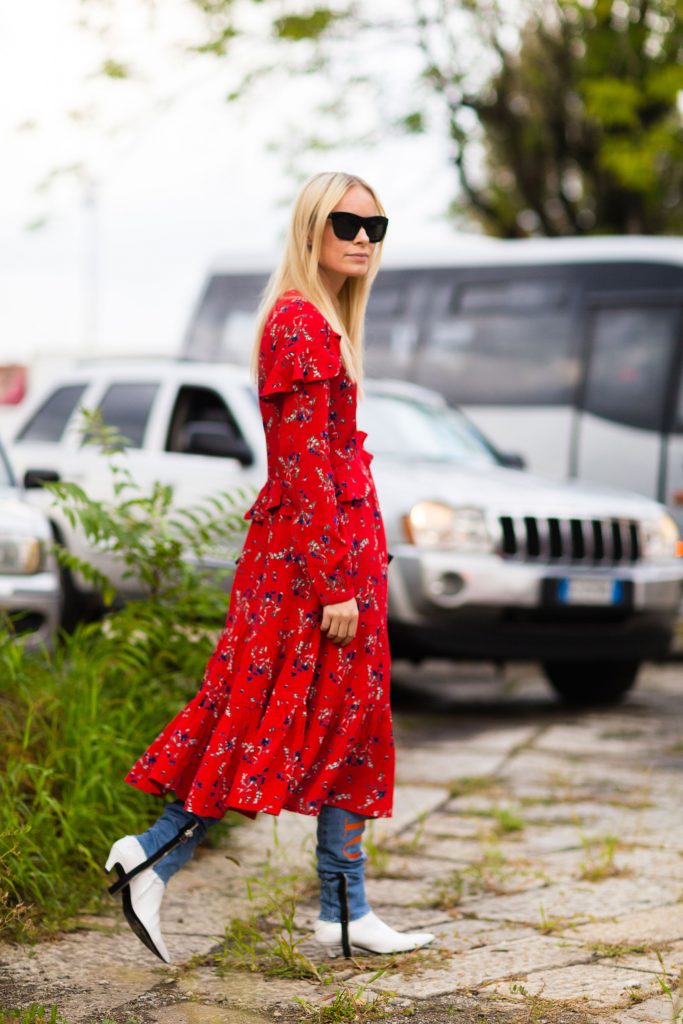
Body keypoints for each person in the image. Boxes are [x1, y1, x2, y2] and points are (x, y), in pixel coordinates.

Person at [105, 170, 435, 964]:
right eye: (346, 224)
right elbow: (301, 468)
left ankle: (344, 908)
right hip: (309, 571)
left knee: (347, 728)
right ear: (310, 229)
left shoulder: (325, 324)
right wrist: (335, 585)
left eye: (374, 227)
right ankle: (153, 852)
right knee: (260, 721)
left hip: (337, 561)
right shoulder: (297, 326)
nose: (361, 239)